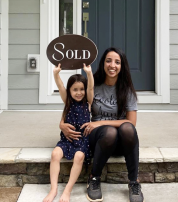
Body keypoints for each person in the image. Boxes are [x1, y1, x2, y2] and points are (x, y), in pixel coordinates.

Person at [60, 47, 144, 202]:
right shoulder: (93, 85)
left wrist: (101, 122)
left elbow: (131, 122)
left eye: (117, 62)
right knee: (110, 132)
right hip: (98, 139)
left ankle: (134, 182)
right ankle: (94, 178)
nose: (112, 65)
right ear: (103, 63)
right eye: (108, 60)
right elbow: (71, 103)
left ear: (122, 66)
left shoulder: (127, 91)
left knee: (128, 128)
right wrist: (62, 124)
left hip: (119, 142)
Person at [43, 63, 94, 202]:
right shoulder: (68, 102)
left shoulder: (88, 102)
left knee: (78, 157)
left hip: (82, 140)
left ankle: (67, 190)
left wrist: (89, 73)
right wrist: (56, 74)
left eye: (81, 89)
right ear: (70, 91)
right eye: (75, 89)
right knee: (55, 154)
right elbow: (60, 86)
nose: (79, 92)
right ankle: (53, 189)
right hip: (67, 140)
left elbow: (90, 87)